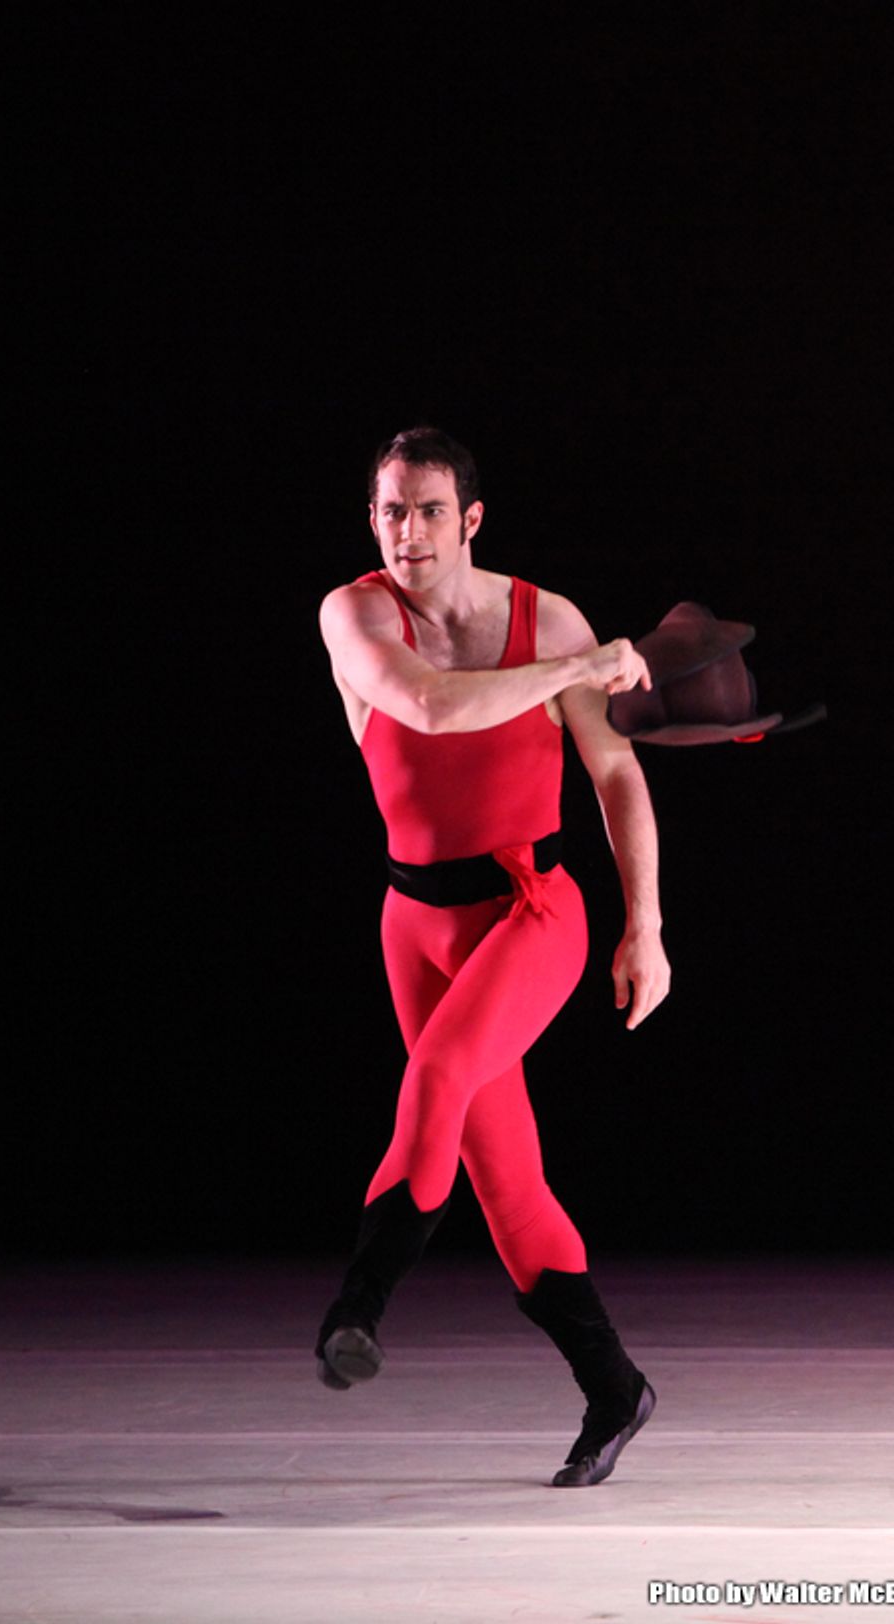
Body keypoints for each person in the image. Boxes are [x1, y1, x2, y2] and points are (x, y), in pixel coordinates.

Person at [314, 425, 670, 1487]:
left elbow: (614, 774)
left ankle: (357, 1309)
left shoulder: (545, 616)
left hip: (532, 911)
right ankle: (615, 1386)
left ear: (470, 520)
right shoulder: (354, 613)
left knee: (437, 1077)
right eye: (389, 510)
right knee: (505, 1177)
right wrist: (583, 667)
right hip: (412, 926)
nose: (406, 532)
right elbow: (424, 703)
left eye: (428, 510)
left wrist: (643, 925)